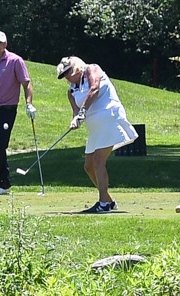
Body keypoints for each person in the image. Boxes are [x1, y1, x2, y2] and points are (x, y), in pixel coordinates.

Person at [57, 56, 138, 214]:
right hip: (94, 127)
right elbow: (76, 110)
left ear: (76, 67)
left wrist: (82, 112)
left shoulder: (91, 69)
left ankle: (103, 204)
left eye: (68, 72)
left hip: (109, 116)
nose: (67, 77)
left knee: (98, 160)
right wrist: (76, 119)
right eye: (64, 75)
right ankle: (108, 200)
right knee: (88, 165)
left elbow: (95, 89)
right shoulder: (71, 91)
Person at [0, 31, 34, 195]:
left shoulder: (15, 61)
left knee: (0, 146)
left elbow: (26, 84)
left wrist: (29, 104)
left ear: (5, 44)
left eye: (0, 43)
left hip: (7, 110)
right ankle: (4, 183)